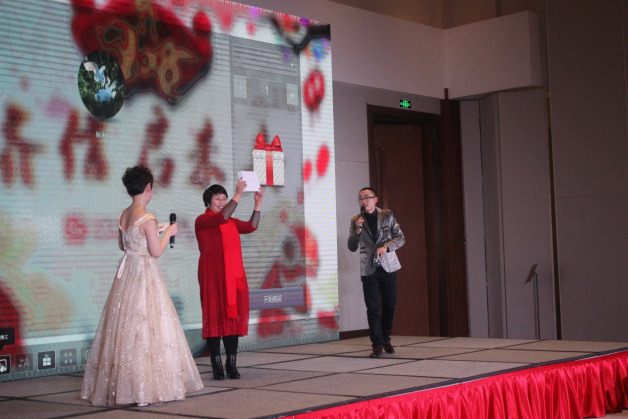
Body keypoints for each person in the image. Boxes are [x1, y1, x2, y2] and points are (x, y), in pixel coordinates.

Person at [81, 166, 203, 407]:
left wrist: (155, 230)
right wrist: (168, 232)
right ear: (148, 188)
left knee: (126, 327)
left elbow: (123, 245)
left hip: (127, 273)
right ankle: (144, 390)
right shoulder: (148, 218)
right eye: (152, 188)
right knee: (147, 325)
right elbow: (156, 251)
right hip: (145, 273)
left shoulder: (124, 214)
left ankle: (125, 388)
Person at [195, 179, 264, 379]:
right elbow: (222, 216)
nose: (222, 202)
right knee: (214, 318)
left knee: (232, 319)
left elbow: (252, 226)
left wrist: (258, 204)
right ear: (208, 202)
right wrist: (238, 193)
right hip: (212, 275)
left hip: (232, 277)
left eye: (224, 198)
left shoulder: (230, 222)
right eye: (218, 199)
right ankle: (216, 364)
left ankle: (231, 363)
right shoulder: (202, 220)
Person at [348, 187, 405, 358]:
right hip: (369, 268)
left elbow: (400, 238)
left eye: (367, 197)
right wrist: (357, 231)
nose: (363, 201)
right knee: (372, 307)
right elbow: (351, 246)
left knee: (389, 305)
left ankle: (386, 338)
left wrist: (386, 247)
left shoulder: (387, 215)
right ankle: (377, 345)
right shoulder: (356, 220)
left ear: (375, 199)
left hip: (388, 265)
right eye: (360, 198)